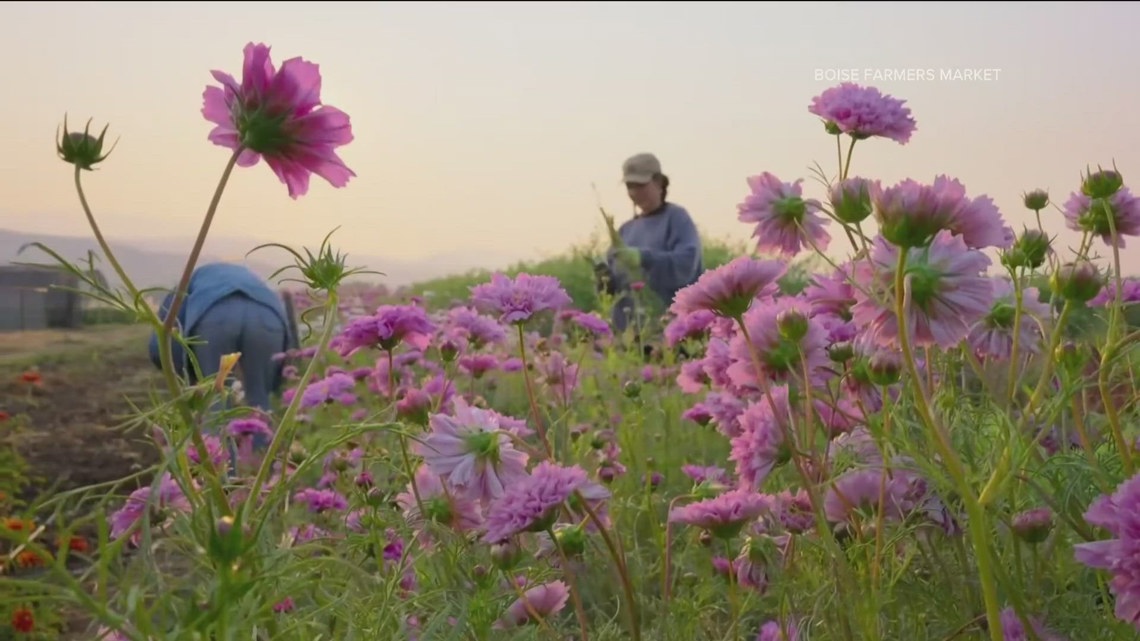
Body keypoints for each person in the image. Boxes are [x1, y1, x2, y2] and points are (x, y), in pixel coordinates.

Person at [148, 262, 298, 430]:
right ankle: (261, 452)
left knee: (215, 399)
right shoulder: (253, 278)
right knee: (259, 400)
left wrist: (183, 375)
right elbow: (290, 349)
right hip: (268, 316)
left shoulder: (190, 281)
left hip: (215, 314)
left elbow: (162, 338)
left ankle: (216, 453)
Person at [603, 152, 704, 344]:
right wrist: (604, 280)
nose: (634, 192)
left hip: (675, 332)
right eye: (629, 186)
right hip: (631, 336)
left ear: (659, 183)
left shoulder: (676, 218)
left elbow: (687, 263)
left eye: (640, 185)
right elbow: (616, 289)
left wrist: (644, 258)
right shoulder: (626, 230)